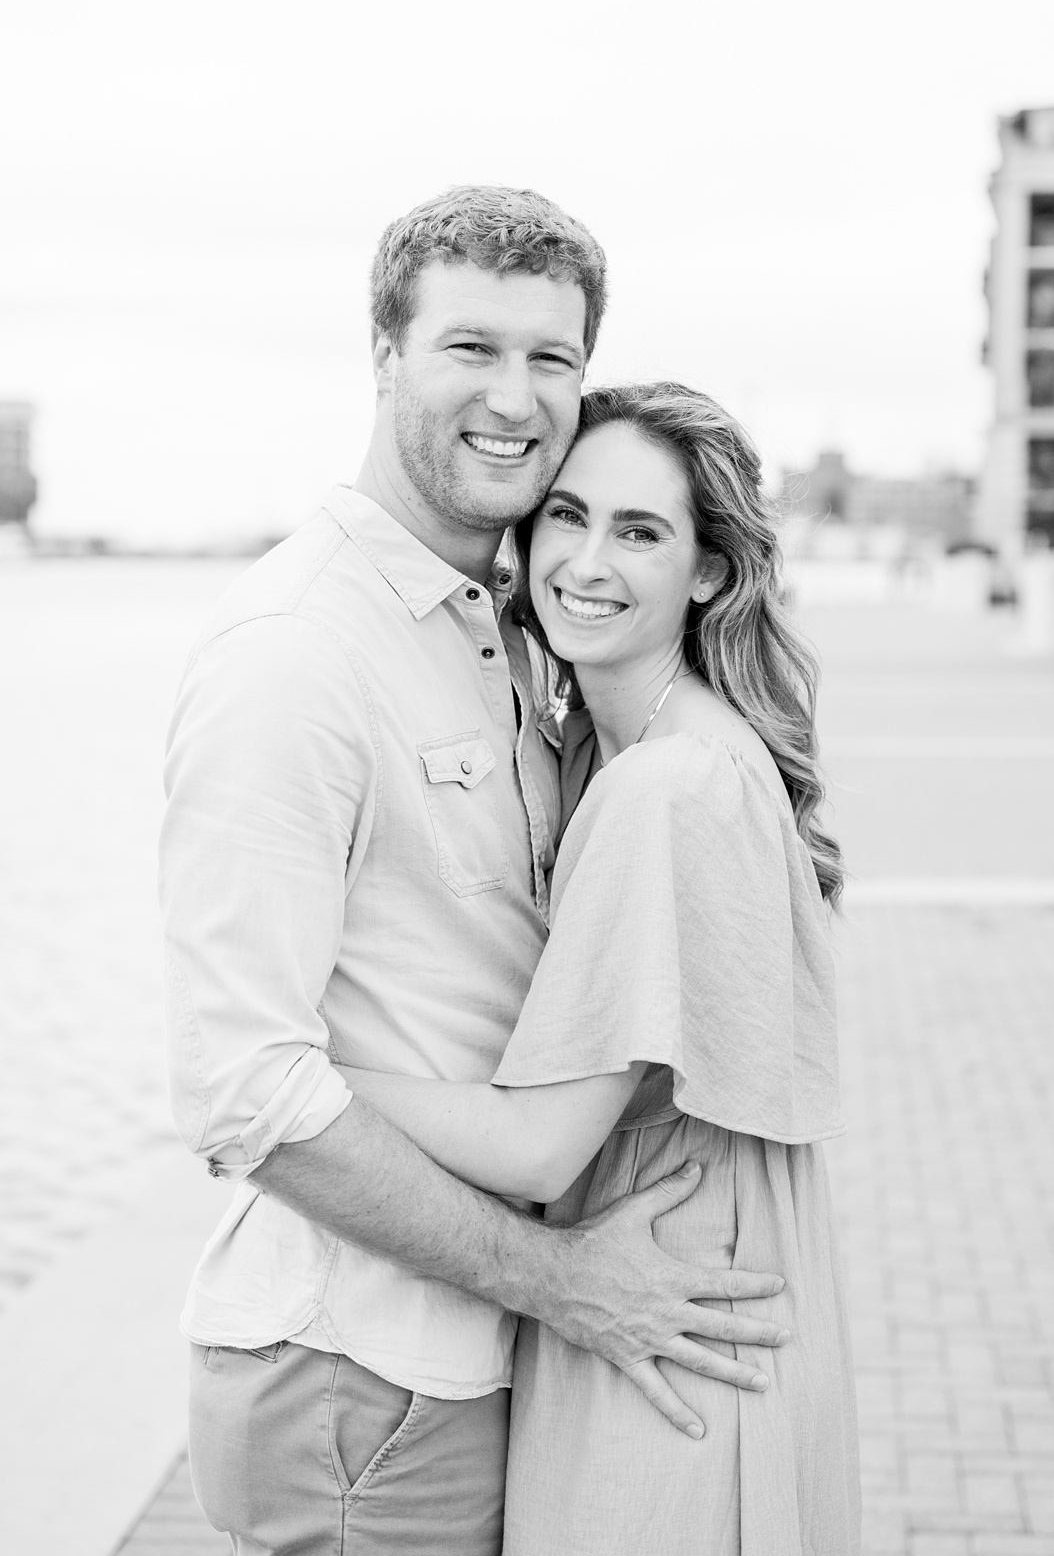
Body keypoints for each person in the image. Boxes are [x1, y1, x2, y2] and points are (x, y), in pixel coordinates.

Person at [166, 189, 793, 1555]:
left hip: (471, 1361)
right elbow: (241, 1088)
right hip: (358, 1379)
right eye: (471, 348)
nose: (514, 397)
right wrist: (564, 1284)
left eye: (551, 359)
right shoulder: (294, 656)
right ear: (384, 355)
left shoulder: (505, 631)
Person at [334, 382, 860, 1553]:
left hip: (662, 1323)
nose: (586, 558)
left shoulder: (663, 788)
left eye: (640, 531)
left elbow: (537, 1143)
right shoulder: (651, 751)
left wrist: (305, 1065)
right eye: (566, 515)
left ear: (711, 570)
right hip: (698, 1289)